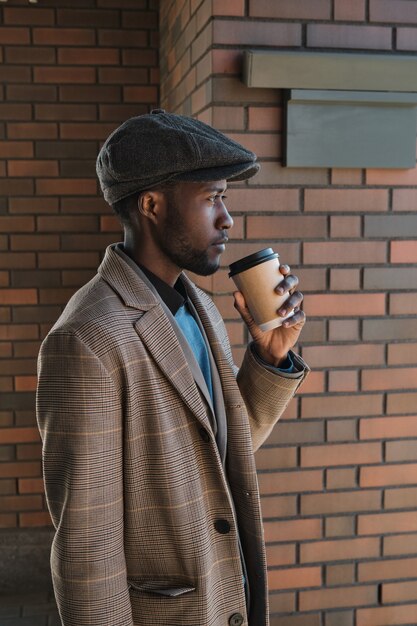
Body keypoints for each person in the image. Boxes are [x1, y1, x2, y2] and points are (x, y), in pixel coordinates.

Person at [36, 110, 309, 626]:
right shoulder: (87, 338)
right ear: (152, 204)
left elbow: (220, 450)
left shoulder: (198, 306)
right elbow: (87, 549)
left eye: (225, 198)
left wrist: (271, 355)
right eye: (212, 198)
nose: (227, 218)